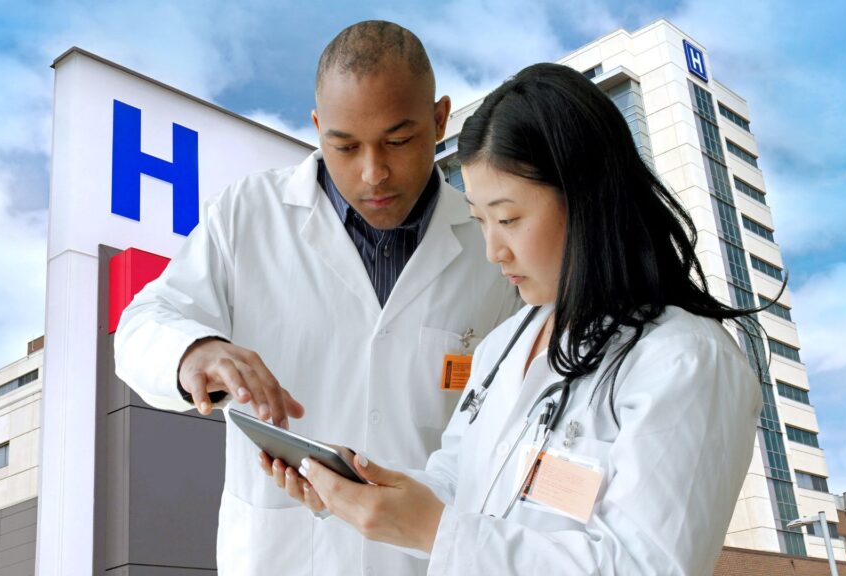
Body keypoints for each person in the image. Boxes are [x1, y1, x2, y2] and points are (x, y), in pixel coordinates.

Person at [291, 62, 766, 575]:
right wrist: (363, 489)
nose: (493, 250)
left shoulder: (685, 359)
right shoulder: (504, 345)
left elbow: (644, 566)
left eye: (509, 218)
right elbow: (459, 485)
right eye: (479, 220)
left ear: (586, 200)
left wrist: (434, 530)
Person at [113, 21, 520, 576]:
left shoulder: (492, 246)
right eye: (344, 146)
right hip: (281, 553)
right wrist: (194, 351)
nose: (373, 173)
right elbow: (142, 324)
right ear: (317, 127)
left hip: (429, 560)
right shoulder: (247, 215)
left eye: (398, 141)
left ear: (440, 118)